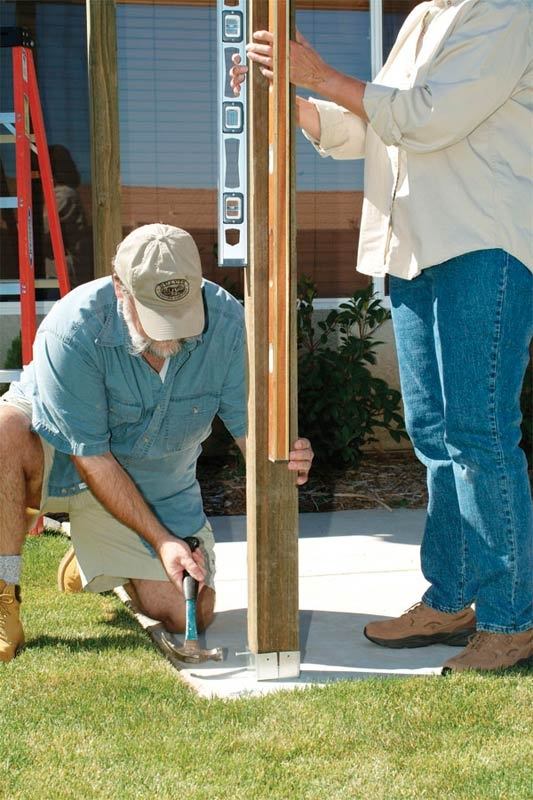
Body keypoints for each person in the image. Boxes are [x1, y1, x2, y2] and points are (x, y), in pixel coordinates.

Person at [232, 0, 533, 673]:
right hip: (413, 250)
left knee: (481, 435)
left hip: (482, 244)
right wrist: (290, 94)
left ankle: (511, 620)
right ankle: (452, 598)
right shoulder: (428, 14)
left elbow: (426, 117)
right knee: (433, 438)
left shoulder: (507, 11)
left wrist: (317, 72)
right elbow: (379, 123)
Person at [0, 223, 314, 662]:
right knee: (4, 433)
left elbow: (252, 434)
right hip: (66, 459)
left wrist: (283, 457)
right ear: (119, 289)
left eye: (180, 314)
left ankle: (95, 558)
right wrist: (163, 540)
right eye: (153, 317)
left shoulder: (225, 325)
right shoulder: (71, 330)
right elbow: (92, 458)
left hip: (156, 483)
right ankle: (3, 593)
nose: (169, 336)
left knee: (192, 612)